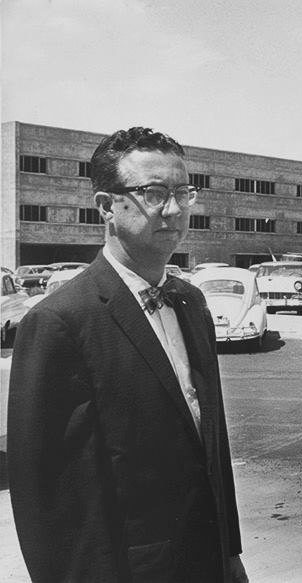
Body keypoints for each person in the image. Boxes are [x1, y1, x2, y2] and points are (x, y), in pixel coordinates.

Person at [8, 127, 249, 583]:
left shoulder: (191, 303)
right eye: (154, 193)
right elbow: (47, 499)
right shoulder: (59, 322)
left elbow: (211, 450)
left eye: (183, 192)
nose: (174, 210)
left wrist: (230, 554)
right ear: (105, 206)